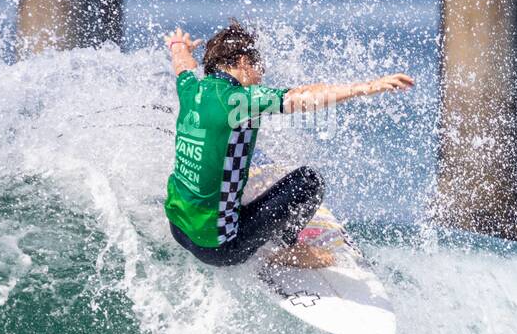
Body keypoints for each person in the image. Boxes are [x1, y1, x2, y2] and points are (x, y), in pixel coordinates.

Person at [163, 20, 414, 269]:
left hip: (178, 228)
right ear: (242, 62)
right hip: (219, 249)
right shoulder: (238, 99)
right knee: (308, 181)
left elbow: (183, 65)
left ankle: (229, 218)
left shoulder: (191, 88)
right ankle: (286, 250)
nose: (261, 76)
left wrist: (178, 46)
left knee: (244, 169)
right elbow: (303, 97)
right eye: (259, 67)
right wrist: (367, 87)